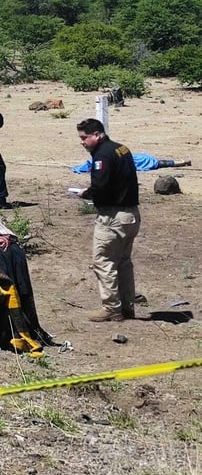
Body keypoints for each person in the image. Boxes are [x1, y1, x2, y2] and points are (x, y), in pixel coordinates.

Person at [76, 118, 141, 322]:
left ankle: (112, 308)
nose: (83, 142)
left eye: (84, 138)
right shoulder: (121, 149)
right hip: (131, 214)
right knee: (123, 262)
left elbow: (101, 186)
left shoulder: (102, 155)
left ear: (97, 135)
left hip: (113, 217)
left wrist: (87, 194)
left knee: (103, 261)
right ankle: (127, 306)